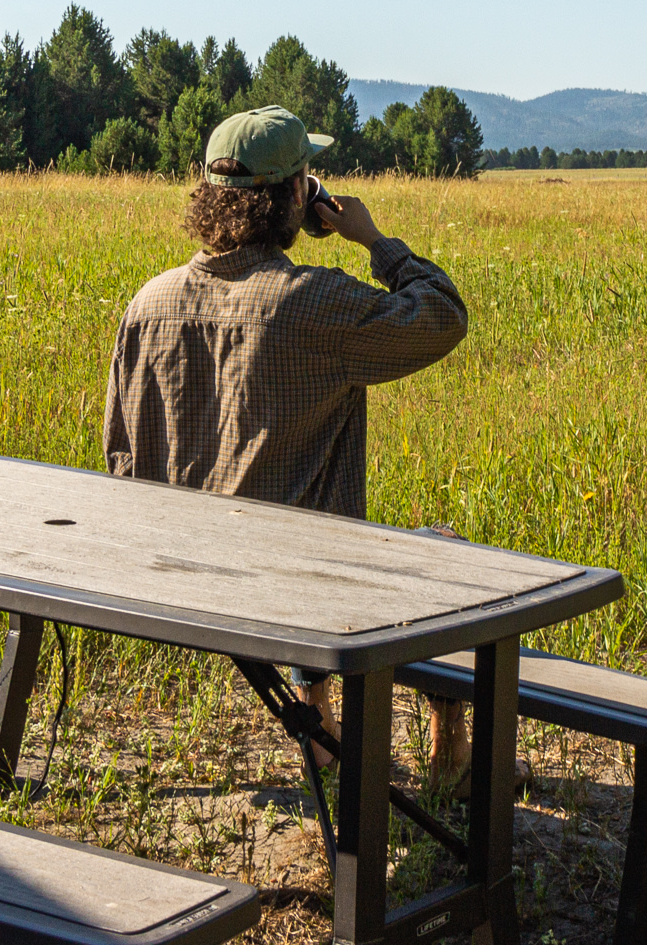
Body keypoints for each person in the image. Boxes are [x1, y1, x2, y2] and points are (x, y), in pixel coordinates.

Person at [101, 104, 482, 784]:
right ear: (295, 195)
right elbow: (443, 316)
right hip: (302, 586)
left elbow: (121, 456)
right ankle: (448, 736)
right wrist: (373, 239)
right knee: (443, 550)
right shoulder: (312, 300)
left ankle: (320, 727)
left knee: (296, 525)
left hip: (177, 578)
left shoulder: (147, 303)